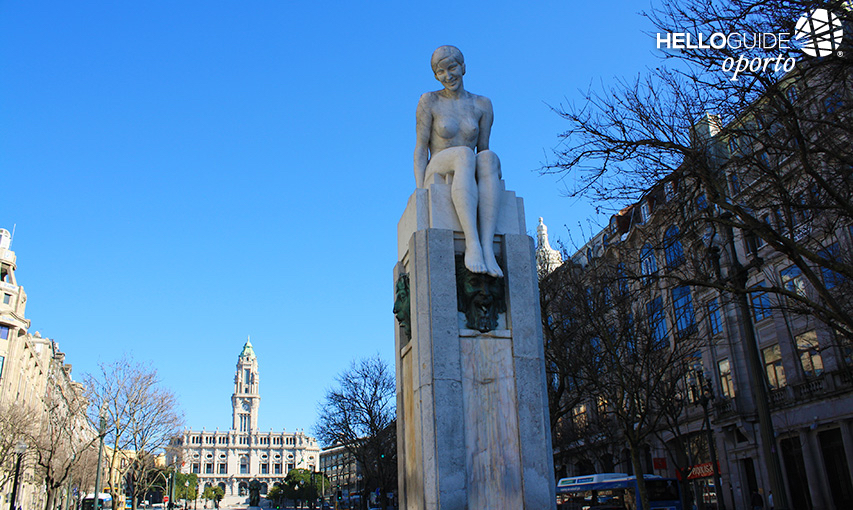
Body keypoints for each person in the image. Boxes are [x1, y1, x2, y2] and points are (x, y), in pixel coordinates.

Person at [414, 45, 503, 277]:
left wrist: (492, 167)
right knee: (464, 153)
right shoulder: (429, 100)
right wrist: (421, 190)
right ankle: (472, 244)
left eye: (452, 68)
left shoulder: (483, 104)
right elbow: (421, 148)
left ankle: (487, 246)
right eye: (440, 72)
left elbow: (483, 149)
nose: (448, 76)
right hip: (439, 165)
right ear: (435, 75)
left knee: (489, 158)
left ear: (463, 67)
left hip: (467, 166)